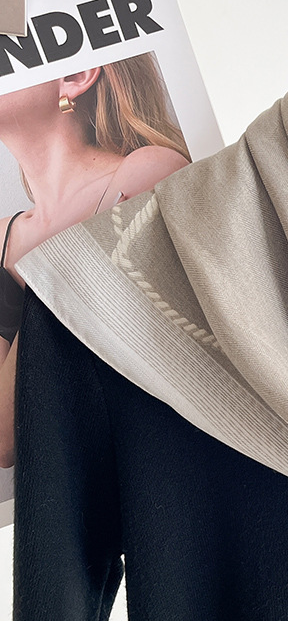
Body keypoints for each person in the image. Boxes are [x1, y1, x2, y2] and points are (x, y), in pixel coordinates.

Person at [0, 53, 191, 468]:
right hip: (79, 489)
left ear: (75, 75)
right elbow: (4, 439)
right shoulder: (3, 238)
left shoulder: (148, 169)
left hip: (167, 472)